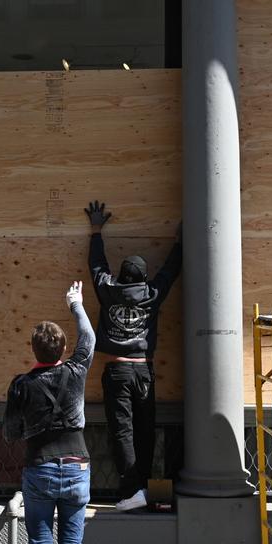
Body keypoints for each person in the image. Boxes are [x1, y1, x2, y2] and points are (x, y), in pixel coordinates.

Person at [3, 280, 93, 544]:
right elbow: (89, 337)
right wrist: (75, 302)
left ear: (33, 350)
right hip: (77, 465)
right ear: (63, 349)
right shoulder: (76, 371)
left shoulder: (21, 385)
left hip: (39, 467)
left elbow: (10, 433)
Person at [84, 200, 182, 512]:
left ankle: (132, 490)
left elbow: (97, 266)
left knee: (122, 432)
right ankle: (142, 486)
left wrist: (96, 229)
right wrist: (181, 241)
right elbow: (169, 272)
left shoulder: (108, 290)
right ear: (141, 278)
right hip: (145, 372)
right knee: (144, 430)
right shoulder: (152, 294)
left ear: (123, 276)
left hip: (118, 372)